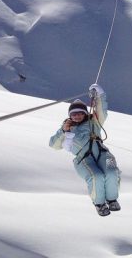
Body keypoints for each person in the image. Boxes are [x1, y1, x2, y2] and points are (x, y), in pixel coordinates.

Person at [49, 84, 121, 216]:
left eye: (80, 113)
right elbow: (53, 145)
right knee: (96, 177)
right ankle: (99, 204)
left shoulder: (94, 122)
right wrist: (63, 131)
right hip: (83, 160)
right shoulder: (67, 128)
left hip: (104, 154)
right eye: (73, 114)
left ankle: (112, 200)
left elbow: (101, 111)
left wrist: (100, 95)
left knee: (112, 172)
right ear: (70, 116)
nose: (77, 116)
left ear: (85, 113)